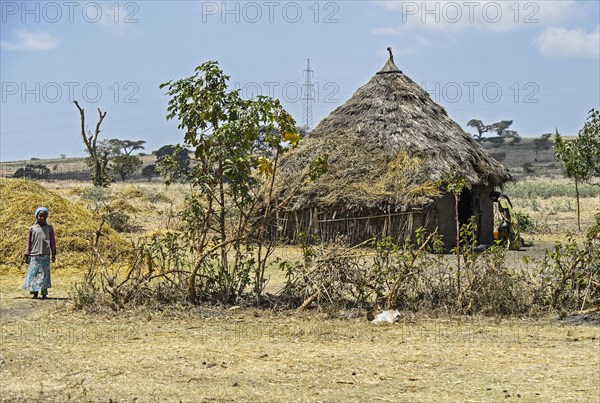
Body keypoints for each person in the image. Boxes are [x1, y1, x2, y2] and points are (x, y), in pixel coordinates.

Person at [22, 207, 57, 299]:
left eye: (44, 216)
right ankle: (35, 293)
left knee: (44, 274)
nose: (42, 218)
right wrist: (27, 253)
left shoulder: (49, 228)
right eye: (40, 216)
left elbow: (52, 241)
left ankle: (44, 293)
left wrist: (54, 253)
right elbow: (29, 242)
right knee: (34, 274)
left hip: (45, 254)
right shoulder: (32, 229)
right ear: (36, 216)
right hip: (34, 255)